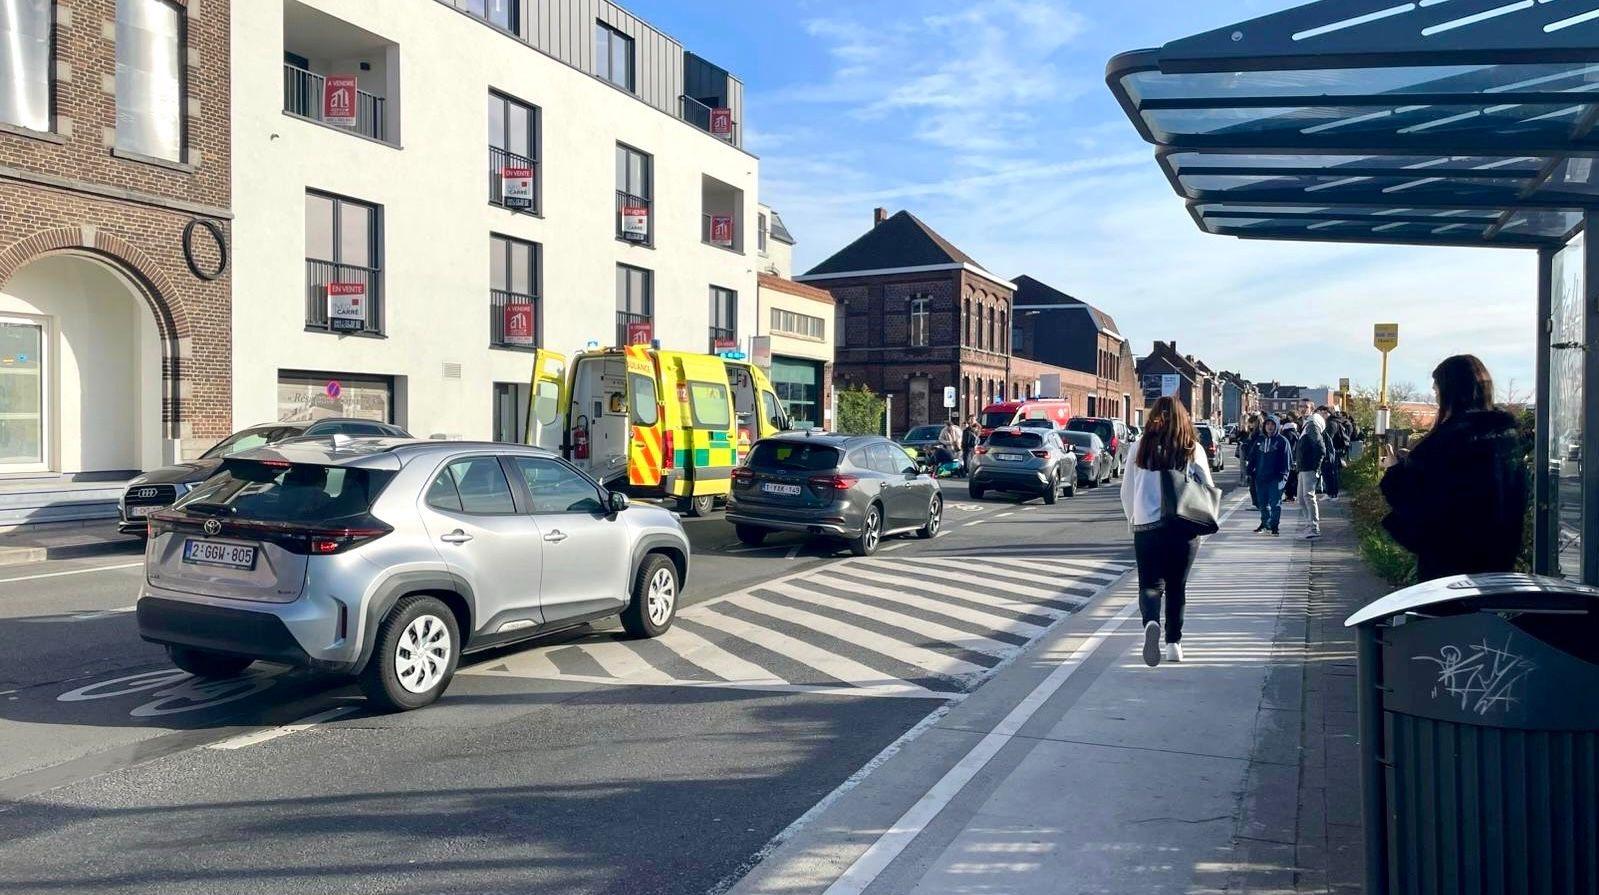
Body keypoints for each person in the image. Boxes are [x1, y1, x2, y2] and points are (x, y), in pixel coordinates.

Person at [1380, 355, 1528, 582]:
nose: (1436, 395)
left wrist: (1395, 471)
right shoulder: (1505, 436)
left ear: (1451, 391)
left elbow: (1421, 505)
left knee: (1446, 618)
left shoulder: (1446, 441)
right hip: (1497, 562)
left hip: (1450, 567)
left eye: (1437, 388)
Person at [1120, 396, 1215, 667]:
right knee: (1177, 587)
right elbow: (1207, 486)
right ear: (1183, 418)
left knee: (1150, 585)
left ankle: (1151, 621)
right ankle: (1174, 644)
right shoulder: (1191, 448)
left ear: (1152, 417)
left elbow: (1126, 490)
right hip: (1182, 528)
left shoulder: (1139, 447)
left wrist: (1133, 519)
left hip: (1147, 528)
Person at [1253, 415, 1291, 536]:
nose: (1270, 427)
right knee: (1262, 503)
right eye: (1267, 424)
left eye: (1272, 424)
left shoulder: (1282, 441)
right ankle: (1265, 523)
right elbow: (1253, 456)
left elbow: (1287, 460)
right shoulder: (1260, 440)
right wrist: (1251, 471)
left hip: (1276, 478)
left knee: (1275, 503)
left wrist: (1283, 475)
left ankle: (1274, 526)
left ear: (1277, 426)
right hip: (1260, 477)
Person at [1296, 411, 1326, 539]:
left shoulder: (1311, 426)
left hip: (1309, 468)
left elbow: (1320, 448)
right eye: (1301, 406)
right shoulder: (1307, 425)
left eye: (1306, 407)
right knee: (1302, 498)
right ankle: (1310, 525)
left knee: (1308, 497)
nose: (1302, 409)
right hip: (1303, 467)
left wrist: (1316, 466)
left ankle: (1314, 527)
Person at [1281, 417, 1301, 502]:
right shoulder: (1297, 433)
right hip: (1297, 458)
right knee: (1294, 478)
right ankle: (1294, 495)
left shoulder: (1286, 434)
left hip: (1290, 459)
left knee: (1289, 478)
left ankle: (1289, 496)